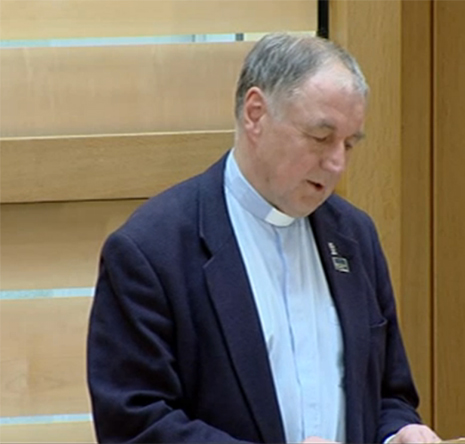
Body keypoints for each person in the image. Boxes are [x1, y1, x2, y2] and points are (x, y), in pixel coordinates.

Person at [87, 33, 441, 444]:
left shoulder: (354, 235)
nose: (337, 163)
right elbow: (135, 425)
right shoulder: (150, 250)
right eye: (321, 137)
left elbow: (387, 392)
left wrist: (398, 431)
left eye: (349, 144)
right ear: (256, 113)